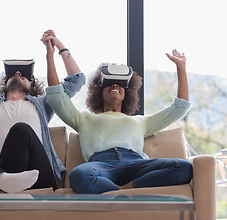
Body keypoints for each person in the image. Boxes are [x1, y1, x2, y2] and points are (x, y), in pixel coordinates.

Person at [0, 0, 85, 194]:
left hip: (38, 177)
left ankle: (6, 183)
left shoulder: (43, 104)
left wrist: (55, 47)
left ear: (32, 85)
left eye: (24, 74)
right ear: (5, 82)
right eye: (13, 73)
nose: (18, 74)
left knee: (21, 129)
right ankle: (1, 180)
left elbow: (77, 80)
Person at [44, 40, 193, 194]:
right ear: (99, 93)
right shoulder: (83, 119)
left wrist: (181, 67)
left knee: (184, 167)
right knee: (78, 175)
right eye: (109, 83)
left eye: (120, 84)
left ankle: (123, 190)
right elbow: (57, 98)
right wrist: (51, 55)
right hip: (101, 165)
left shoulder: (140, 121)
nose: (115, 86)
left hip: (136, 163)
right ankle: (125, 193)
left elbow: (178, 109)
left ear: (126, 94)